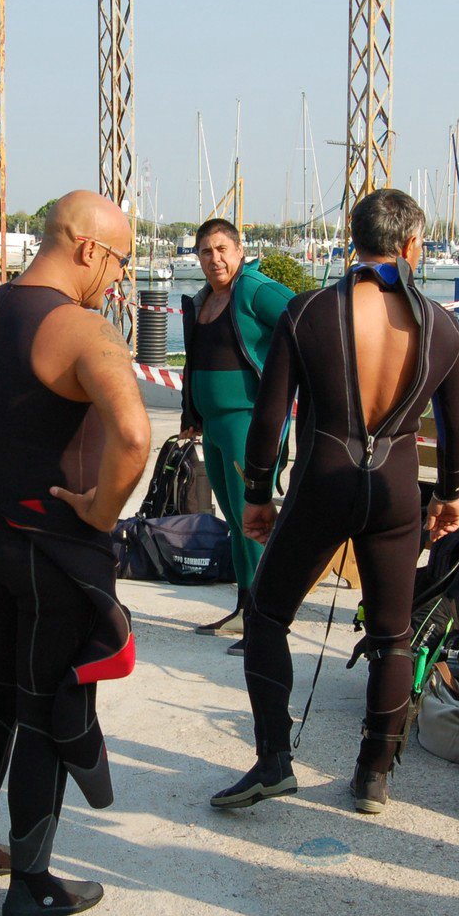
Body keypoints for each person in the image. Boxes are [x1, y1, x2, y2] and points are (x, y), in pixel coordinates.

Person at [210, 188, 459, 814]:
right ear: (412, 245)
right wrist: (451, 494)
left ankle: (274, 760)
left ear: (354, 240)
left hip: (322, 480)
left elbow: (269, 418)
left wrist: (255, 495)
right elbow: (455, 432)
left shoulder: (308, 312)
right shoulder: (442, 324)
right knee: (392, 633)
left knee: (269, 615)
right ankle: (373, 775)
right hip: (397, 489)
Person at [0, 191, 151, 916]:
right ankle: (32, 883)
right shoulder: (83, 327)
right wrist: (99, 509)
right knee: (46, 706)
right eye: (118, 260)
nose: (117, 277)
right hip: (46, 542)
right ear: (87, 247)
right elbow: (132, 438)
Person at [178, 217, 294, 648]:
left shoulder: (252, 289)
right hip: (213, 425)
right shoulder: (202, 300)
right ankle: (247, 607)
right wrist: (191, 412)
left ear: (240, 250)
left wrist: (289, 378)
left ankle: (267, 617)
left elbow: (303, 312)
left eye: (222, 248)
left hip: (249, 422)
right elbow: (196, 362)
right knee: (235, 519)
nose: (215, 258)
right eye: (206, 251)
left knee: (255, 519)